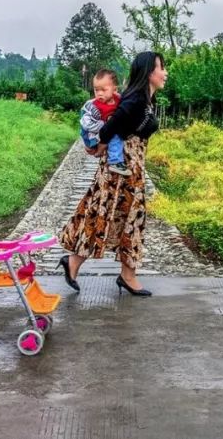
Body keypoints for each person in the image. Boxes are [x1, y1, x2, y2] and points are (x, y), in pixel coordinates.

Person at [58, 51, 167, 297]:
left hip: (131, 169)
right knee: (107, 212)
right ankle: (82, 264)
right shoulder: (135, 99)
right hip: (121, 170)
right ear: (149, 71)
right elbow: (112, 125)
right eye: (161, 67)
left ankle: (120, 273)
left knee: (122, 215)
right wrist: (100, 146)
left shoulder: (144, 98)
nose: (165, 73)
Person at [79, 69, 128, 175]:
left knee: (116, 134)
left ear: (114, 89)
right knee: (113, 134)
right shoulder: (94, 106)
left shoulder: (120, 100)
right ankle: (115, 161)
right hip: (96, 133)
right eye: (96, 90)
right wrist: (89, 142)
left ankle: (113, 159)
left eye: (104, 90)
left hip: (107, 132)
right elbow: (85, 124)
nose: (99, 94)